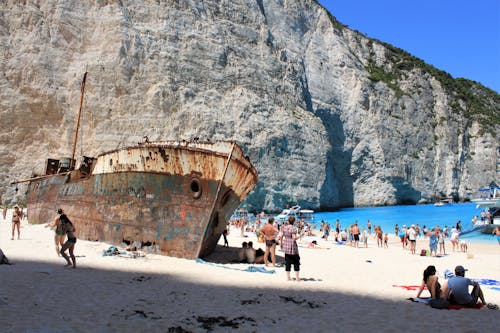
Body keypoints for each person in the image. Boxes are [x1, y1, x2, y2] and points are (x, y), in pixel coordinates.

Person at [280, 216, 300, 282]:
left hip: (286, 245)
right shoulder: (293, 228)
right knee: (296, 262)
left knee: (287, 262)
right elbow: (294, 238)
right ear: (294, 221)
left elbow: (281, 236)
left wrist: (281, 243)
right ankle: (297, 278)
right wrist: (301, 235)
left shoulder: (284, 228)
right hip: (292, 246)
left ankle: (288, 277)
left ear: (288, 221)